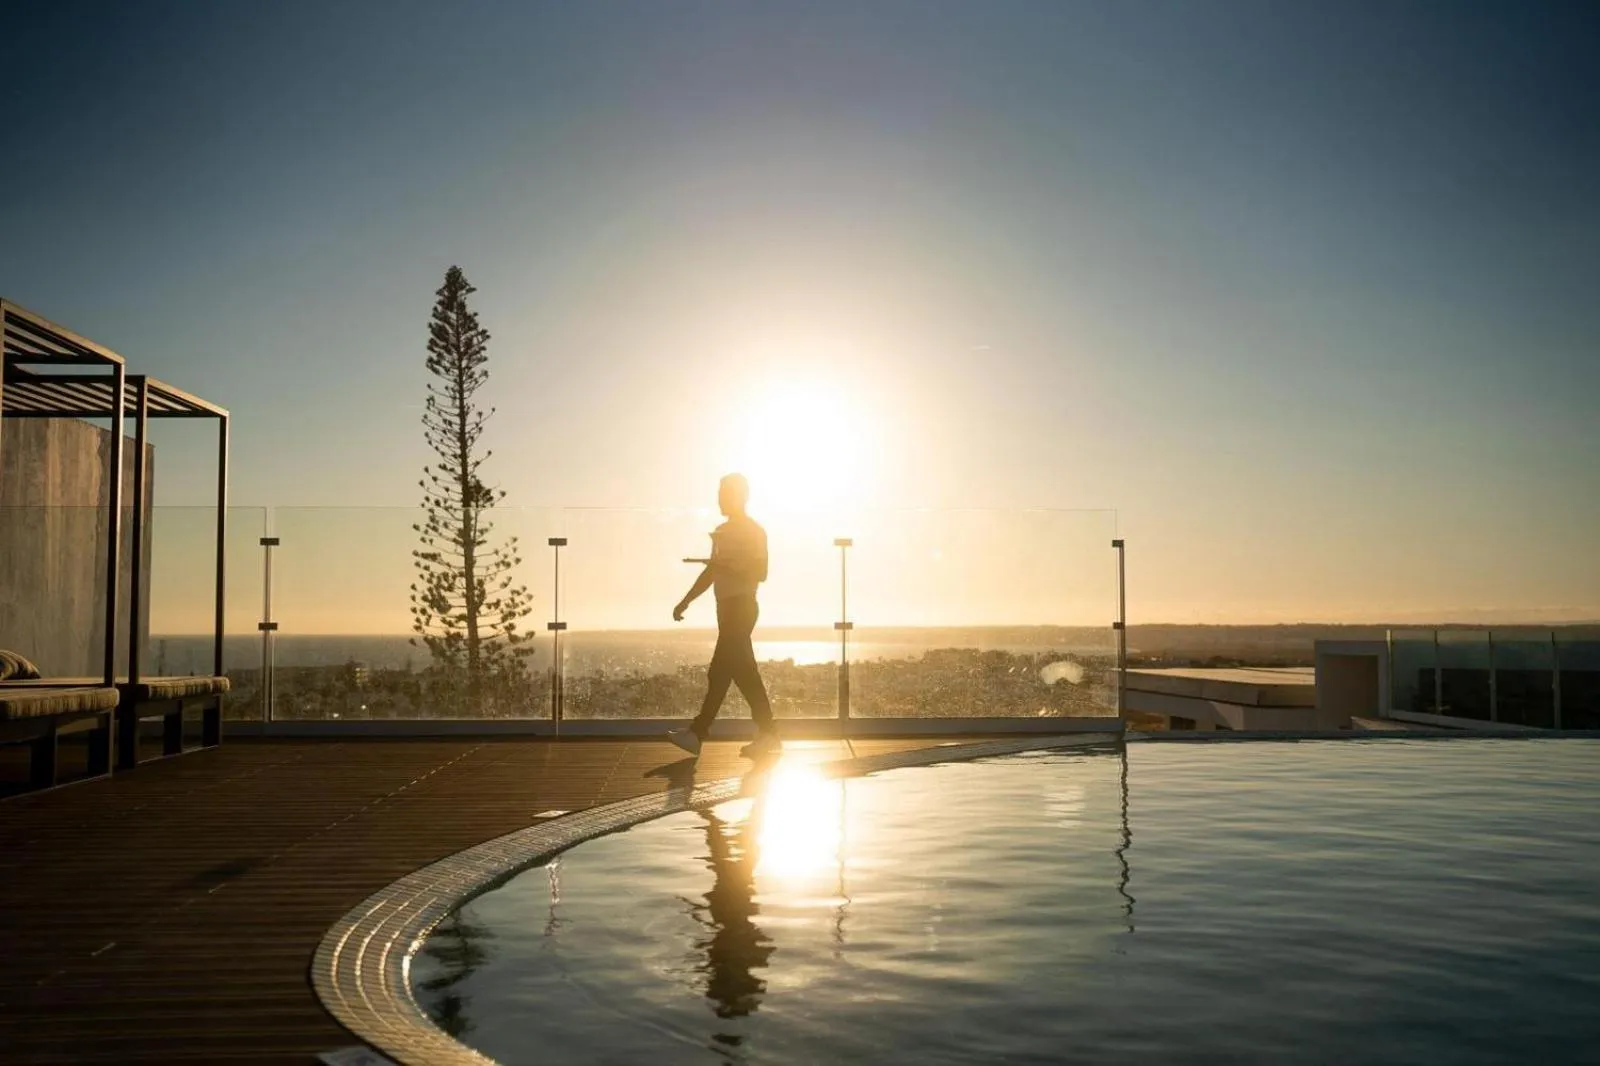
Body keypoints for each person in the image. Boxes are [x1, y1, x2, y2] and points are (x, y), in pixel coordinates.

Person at [667, 473, 780, 759]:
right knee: (742, 672)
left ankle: (698, 733)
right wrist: (685, 601)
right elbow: (712, 572)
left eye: (723, 494)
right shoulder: (722, 531)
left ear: (739, 496)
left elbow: (761, 573)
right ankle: (768, 734)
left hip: (741, 607)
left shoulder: (755, 531)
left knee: (720, 671)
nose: (719, 499)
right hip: (727, 609)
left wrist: (730, 566)